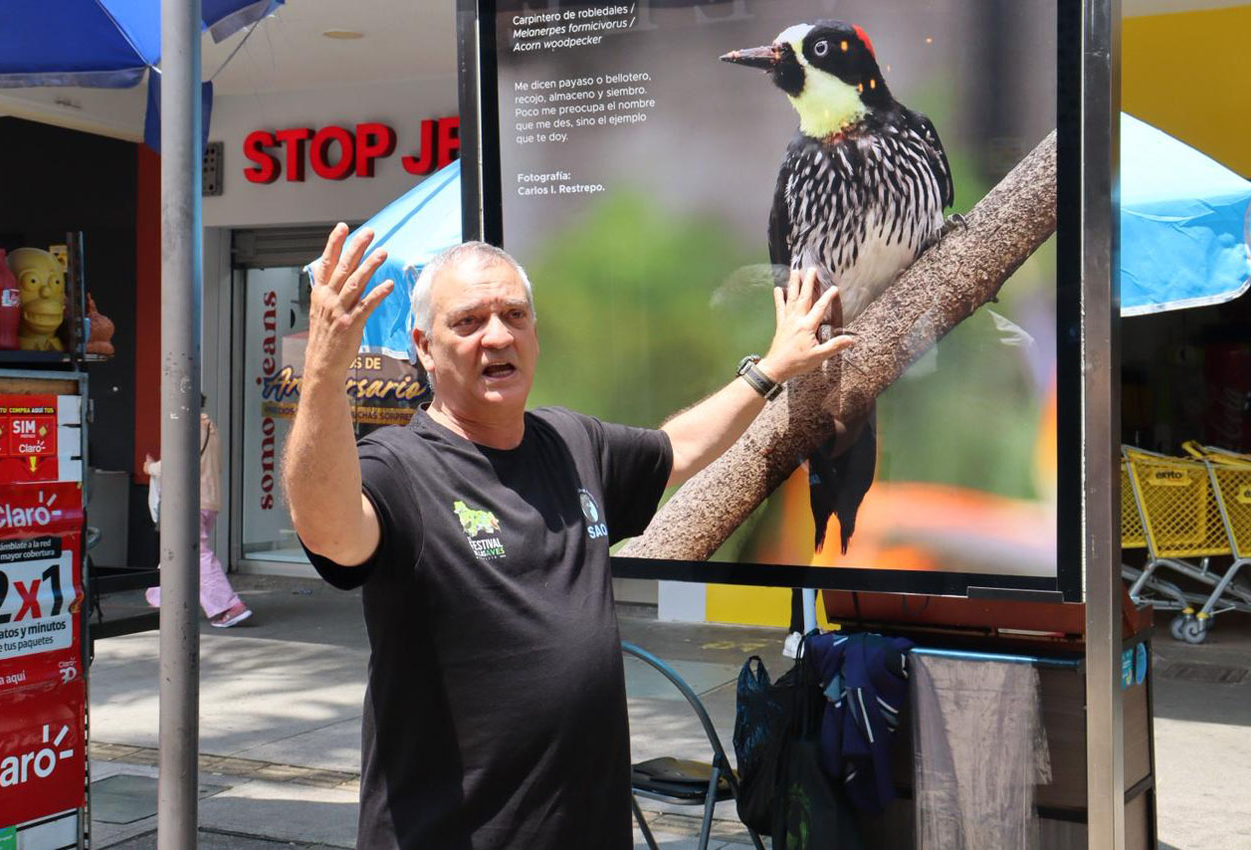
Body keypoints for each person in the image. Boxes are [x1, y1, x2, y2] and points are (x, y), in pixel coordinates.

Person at [283, 223, 852, 850]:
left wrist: (771, 368)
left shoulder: (571, 442)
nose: (496, 335)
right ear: (424, 345)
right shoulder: (400, 467)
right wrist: (323, 377)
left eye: (513, 315)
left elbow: (680, 448)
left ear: (534, 333)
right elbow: (330, 529)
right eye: (468, 322)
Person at [145, 395, 252, 628]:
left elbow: (174, 463)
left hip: (189, 501)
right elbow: (216, 465)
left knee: (197, 554)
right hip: (209, 500)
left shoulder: (189, 428)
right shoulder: (211, 428)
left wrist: (150, 468)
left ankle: (229, 606)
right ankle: (165, 597)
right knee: (180, 551)